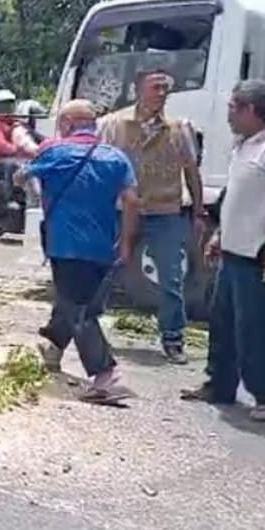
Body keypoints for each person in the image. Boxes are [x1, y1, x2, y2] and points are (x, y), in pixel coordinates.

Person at [15, 99, 139, 403]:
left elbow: (22, 176)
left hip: (66, 244)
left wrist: (26, 174)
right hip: (103, 245)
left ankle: (105, 375)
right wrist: (125, 242)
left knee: (79, 309)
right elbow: (132, 201)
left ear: (68, 124)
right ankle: (52, 347)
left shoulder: (55, 152)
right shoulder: (116, 157)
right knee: (75, 300)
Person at [182, 80, 265, 422]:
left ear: (251, 110)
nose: (227, 115)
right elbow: (238, 200)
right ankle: (219, 384)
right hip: (232, 252)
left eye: (232, 108)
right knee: (222, 322)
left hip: (259, 257)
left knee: (259, 328)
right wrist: (219, 236)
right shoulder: (243, 148)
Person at [98, 69, 205, 364]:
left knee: (171, 279)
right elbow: (102, 166)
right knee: (104, 270)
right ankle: (89, 331)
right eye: (155, 86)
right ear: (138, 90)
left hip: (166, 212)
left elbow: (191, 172)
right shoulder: (115, 125)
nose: (162, 92)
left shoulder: (178, 128)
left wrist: (198, 210)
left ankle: (173, 339)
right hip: (123, 210)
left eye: (165, 87)